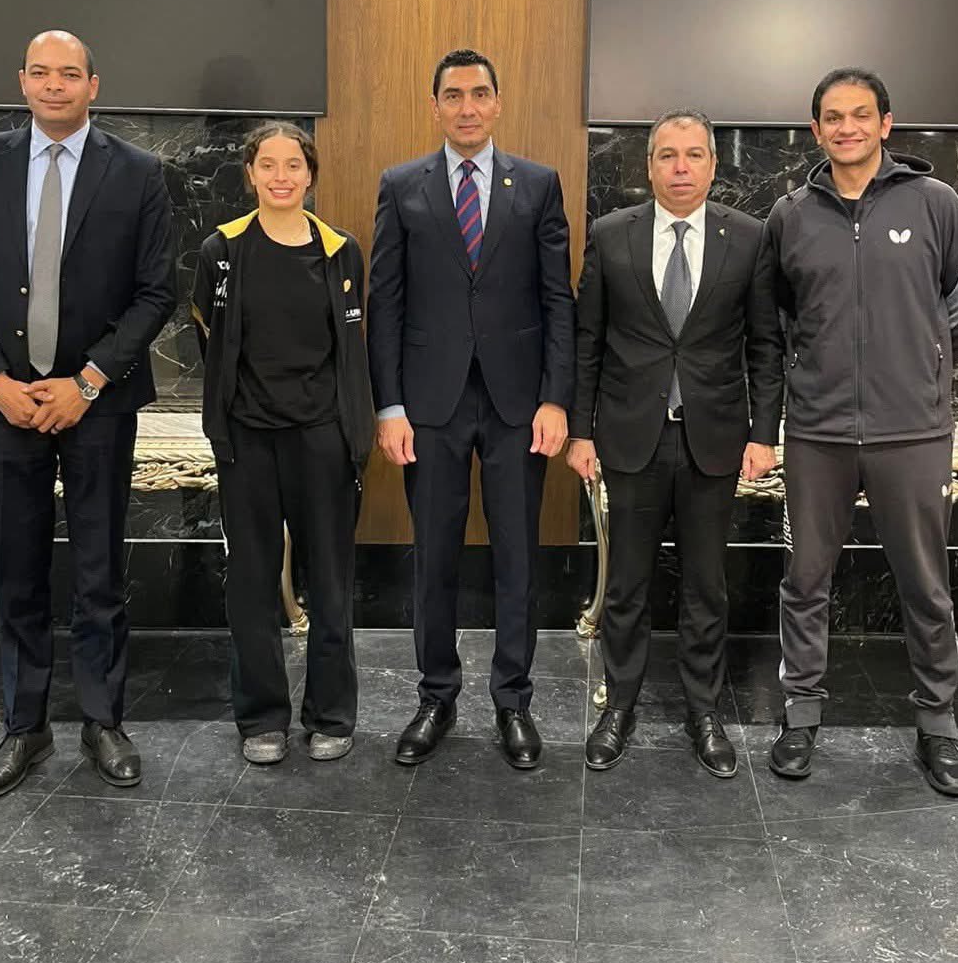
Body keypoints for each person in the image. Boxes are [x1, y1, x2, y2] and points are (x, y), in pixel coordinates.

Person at [0, 29, 176, 799]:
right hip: (7, 401)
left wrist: (90, 380)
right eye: (40, 72)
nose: (53, 85)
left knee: (100, 568)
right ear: (22, 81)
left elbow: (157, 291)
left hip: (98, 403)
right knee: (17, 566)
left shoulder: (138, 172)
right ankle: (23, 724)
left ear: (93, 85)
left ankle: (103, 719)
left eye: (69, 74)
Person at [763, 67, 958, 797]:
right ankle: (800, 717)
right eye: (833, 117)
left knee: (925, 584)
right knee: (805, 579)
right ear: (816, 129)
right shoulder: (790, 215)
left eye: (861, 114)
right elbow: (780, 316)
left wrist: (919, 365)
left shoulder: (935, 202)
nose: (847, 127)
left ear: (886, 123)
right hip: (818, 431)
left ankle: (938, 727)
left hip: (912, 431)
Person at [368, 49, 575, 769]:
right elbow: (385, 303)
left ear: (497, 103)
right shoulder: (402, 186)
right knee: (434, 555)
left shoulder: (538, 185)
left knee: (518, 556)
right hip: (430, 404)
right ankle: (436, 696)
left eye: (479, 93)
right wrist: (389, 405)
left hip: (519, 403)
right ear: (435, 106)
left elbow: (557, 299)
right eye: (453, 95)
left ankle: (513, 700)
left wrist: (556, 397)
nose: (467, 107)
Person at [567, 109, 782, 772]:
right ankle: (618, 707)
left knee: (705, 586)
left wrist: (763, 433)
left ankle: (703, 712)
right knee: (626, 585)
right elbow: (587, 340)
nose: (681, 167)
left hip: (714, 440)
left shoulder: (749, 238)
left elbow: (766, 345)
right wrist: (579, 430)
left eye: (694, 155)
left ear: (714, 165)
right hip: (630, 437)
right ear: (649, 165)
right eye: (667, 155)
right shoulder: (612, 234)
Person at [193, 124, 373, 764]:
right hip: (247, 441)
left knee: (330, 581)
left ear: (310, 174)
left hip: (323, 439)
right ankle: (261, 718)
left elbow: (350, 347)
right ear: (250, 174)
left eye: (292, 164)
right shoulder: (222, 249)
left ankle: (331, 713)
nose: (280, 176)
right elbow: (209, 338)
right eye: (266, 165)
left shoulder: (340, 251)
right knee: (251, 581)